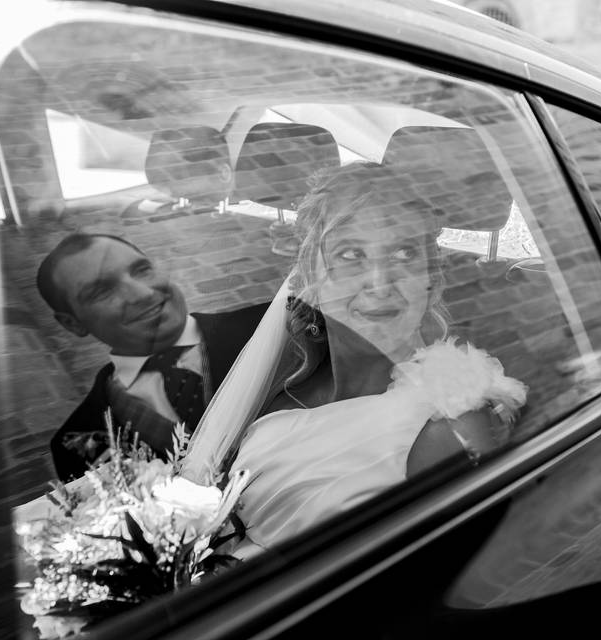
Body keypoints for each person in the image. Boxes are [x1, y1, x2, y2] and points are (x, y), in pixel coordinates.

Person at [181, 162, 527, 550]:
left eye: (403, 253)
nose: (380, 284)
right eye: (350, 255)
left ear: (431, 278)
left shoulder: (448, 425)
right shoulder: (279, 384)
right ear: (309, 277)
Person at [37, 232, 268, 481]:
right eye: (101, 291)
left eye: (142, 270)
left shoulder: (277, 324)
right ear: (72, 324)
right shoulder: (77, 439)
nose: (143, 294)